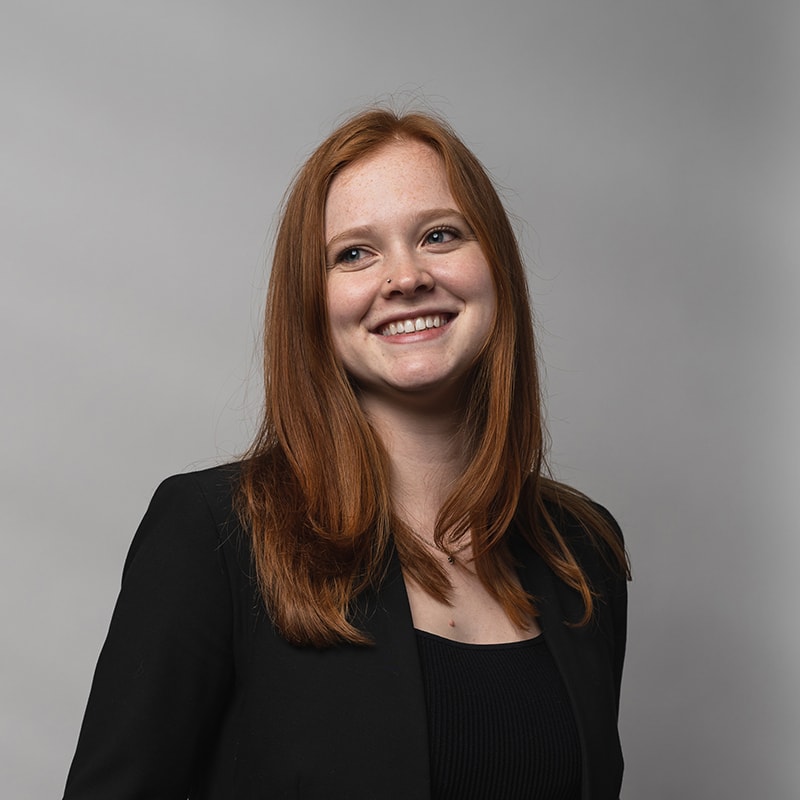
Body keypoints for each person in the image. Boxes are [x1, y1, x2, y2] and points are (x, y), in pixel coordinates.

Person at [63, 108, 630, 800]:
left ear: (497, 266)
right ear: (312, 301)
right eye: (355, 253)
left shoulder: (580, 553)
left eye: (439, 235)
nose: (406, 277)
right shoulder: (212, 536)